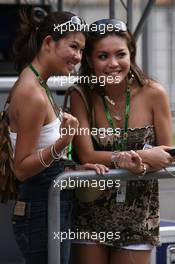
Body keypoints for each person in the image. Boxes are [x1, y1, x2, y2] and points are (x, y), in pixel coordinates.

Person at [7, 10, 110, 264]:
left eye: (81, 49)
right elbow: (21, 169)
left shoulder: (38, 85)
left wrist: (71, 167)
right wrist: (62, 143)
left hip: (47, 207)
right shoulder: (32, 92)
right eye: (73, 46)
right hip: (41, 211)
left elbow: (39, 156)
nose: (77, 57)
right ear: (48, 43)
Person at [69, 19, 173, 264]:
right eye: (103, 56)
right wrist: (134, 158)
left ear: (131, 55)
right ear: (90, 60)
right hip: (89, 213)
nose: (113, 64)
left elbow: (167, 154)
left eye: (120, 54)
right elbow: (86, 154)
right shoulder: (80, 94)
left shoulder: (153, 93)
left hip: (138, 215)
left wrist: (141, 166)